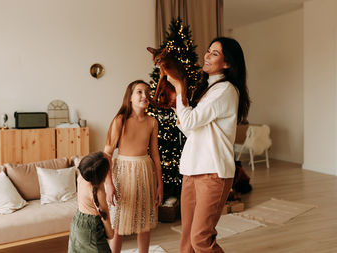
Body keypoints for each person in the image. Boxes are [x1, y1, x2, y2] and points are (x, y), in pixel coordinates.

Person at [166, 37, 251, 253]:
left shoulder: (226, 90)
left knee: (201, 239)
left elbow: (191, 121)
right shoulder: (207, 89)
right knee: (187, 239)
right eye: (208, 51)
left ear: (228, 63)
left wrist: (178, 86)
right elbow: (190, 129)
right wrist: (180, 106)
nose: (207, 56)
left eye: (215, 53)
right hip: (191, 170)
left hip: (213, 172)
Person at [104, 80, 163, 253]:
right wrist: (109, 184)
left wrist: (160, 184)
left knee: (144, 221)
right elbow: (107, 154)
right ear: (129, 97)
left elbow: (155, 154)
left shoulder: (152, 122)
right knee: (119, 222)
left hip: (145, 171)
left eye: (147, 92)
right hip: (123, 172)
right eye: (139, 92)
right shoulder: (120, 120)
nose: (145, 96)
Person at [68, 151, 114, 253]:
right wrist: (110, 233)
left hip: (77, 222)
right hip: (91, 229)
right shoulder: (99, 192)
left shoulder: (81, 177)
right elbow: (105, 215)